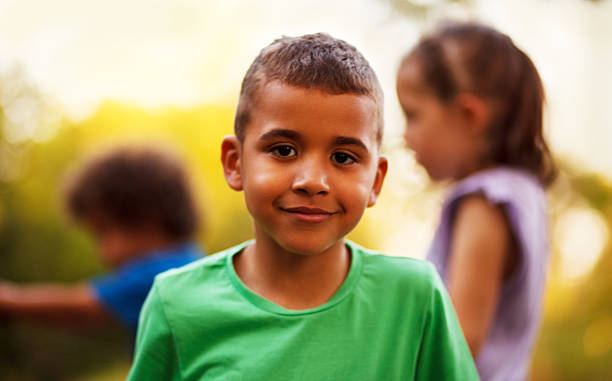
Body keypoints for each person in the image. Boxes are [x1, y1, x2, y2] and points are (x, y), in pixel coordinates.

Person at [128, 33, 478, 380]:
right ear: (235, 163)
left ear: (375, 181)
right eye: (283, 150)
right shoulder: (176, 303)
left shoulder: (414, 297)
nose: (313, 181)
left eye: (343, 157)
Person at [396, 22, 556, 380]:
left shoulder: (484, 203)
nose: (405, 136)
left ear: (469, 116)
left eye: (413, 115)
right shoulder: (525, 194)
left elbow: (460, 340)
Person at [0, 146, 203, 337]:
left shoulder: (166, 277)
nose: (103, 253)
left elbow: (79, 309)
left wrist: (10, 300)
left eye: (102, 232)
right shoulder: (192, 260)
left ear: (145, 219)